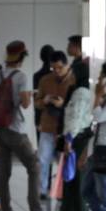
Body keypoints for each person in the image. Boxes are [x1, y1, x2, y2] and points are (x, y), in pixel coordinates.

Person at [0, 40, 53, 211]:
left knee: (4, 171)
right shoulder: (22, 77)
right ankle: (35, 209)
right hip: (16, 130)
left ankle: (6, 208)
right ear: (21, 57)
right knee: (34, 167)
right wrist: (29, 96)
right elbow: (25, 103)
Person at [34, 50, 74, 200]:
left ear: (67, 65)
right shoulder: (45, 80)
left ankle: (62, 192)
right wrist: (45, 101)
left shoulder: (74, 80)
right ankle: (43, 190)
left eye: (59, 68)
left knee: (63, 161)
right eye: (53, 68)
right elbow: (37, 103)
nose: (56, 71)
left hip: (66, 128)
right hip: (48, 126)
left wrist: (63, 104)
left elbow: (79, 106)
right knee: (43, 159)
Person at [83, 61, 106, 211]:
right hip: (97, 150)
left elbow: (97, 116)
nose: (100, 79)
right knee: (86, 190)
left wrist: (97, 96)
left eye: (102, 76)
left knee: (105, 191)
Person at [60, 81, 94, 211]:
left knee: (75, 176)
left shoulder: (81, 92)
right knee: (74, 175)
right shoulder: (86, 91)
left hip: (77, 138)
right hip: (80, 136)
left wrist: (68, 140)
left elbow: (75, 118)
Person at [31, 44, 54, 129]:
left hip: (39, 116)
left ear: (41, 57)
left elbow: (35, 97)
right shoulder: (55, 75)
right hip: (54, 116)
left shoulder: (36, 76)